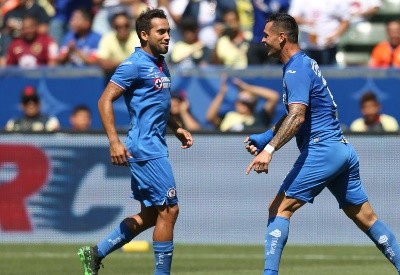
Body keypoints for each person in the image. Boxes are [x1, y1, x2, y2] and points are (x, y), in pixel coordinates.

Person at [244, 13, 400, 275]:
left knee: (279, 209)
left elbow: (298, 116)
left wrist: (269, 151)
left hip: (321, 149)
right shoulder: (304, 64)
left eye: (266, 35)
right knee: (366, 217)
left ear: (282, 37)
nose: (262, 40)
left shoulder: (295, 69)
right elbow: (297, 113)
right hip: (341, 150)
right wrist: (265, 137)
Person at [77, 8, 193, 275]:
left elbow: (158, 107)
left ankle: (95, 253)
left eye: (168, 31)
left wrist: (176, 128)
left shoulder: (160, 63)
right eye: (160, 32)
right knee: (170, 211)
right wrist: (114, 142)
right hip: (145, 149)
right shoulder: (133, 64)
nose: (167, 37)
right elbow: (104, 100)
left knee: (153, 215)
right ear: (144, 34)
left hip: (155, 145)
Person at [206, 74, 280, 132]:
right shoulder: (227, 116)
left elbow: (274, 97)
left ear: (254, 103)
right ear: (236, 102)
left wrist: (247, 88)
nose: (243, 104)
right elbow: (210, 117)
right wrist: (222, 93)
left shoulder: (260, 117)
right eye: (241, 100)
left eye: (247, 101)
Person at [288, 0, 350, 66]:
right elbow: (292, 17)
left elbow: (346, 21)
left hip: (329, 47)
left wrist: (334, 36)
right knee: (307, 74)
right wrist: (305, 21)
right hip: (307, 47)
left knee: (329, 74)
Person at [96, 11, 140, 79]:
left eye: (126, 25)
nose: (122, 29)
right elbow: (103, 63)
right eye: (118, 27)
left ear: (130, 25)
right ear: (113, 27)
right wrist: (126, 63)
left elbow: (139, 64)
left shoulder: (138, 38)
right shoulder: (107, 38)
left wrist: (113, 63)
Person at [247, 0, 290, 65]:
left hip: (275, 41)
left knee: (274, 72)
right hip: (256, 40)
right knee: (253, 72)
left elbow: (274, 8)